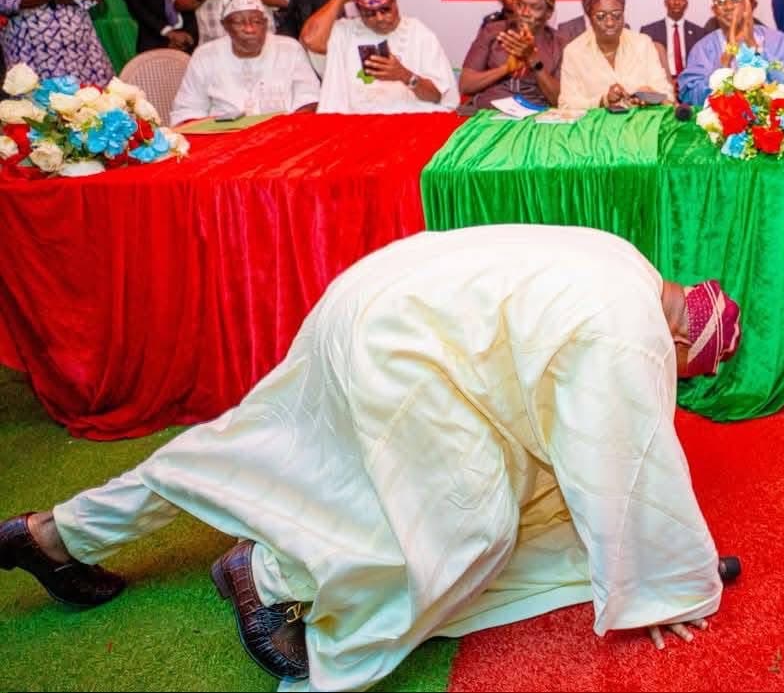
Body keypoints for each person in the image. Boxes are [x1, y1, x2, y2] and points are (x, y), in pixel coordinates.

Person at [0, 225, 741, 689]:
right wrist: (661, 585)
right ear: (681, 344)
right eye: (685, 377)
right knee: (467, 532)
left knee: (252, 448)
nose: (672, 387)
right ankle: (265, 576)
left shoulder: (627, 262)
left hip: (370, 295)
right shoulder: (632, 329)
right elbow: (622, 468)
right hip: (409, 350)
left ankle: (52, 533)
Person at [302, 0, 459, 114]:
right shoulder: (346, 31)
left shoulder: (418, 33)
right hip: (356, 126)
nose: (380, 18)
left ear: (395, 3)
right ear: (358, 11)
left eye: (385, 9)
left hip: (410, 123)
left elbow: (437, 97)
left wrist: (404, 76)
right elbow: (310, 39)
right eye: (370, 13)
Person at [169, 0, 320, 125]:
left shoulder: (290, 49)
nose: (249, 28)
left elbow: (309, 99)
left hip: (282, 136)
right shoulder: (205, 55)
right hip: (225, 142)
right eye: (239, 22)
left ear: (266, 23)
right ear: (225, 26)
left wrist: (289, 128)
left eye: (256, 21)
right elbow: (188, 110)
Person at [679, 0, 784, 107]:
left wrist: (754, 47)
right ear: (714, 10)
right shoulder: (702, 49)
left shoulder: (777, 40)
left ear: (747, 4)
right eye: (721, 2)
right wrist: (723, 64)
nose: (728, 6)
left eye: (735, 0)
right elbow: (691, 97)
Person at [558, 0, 673, 111]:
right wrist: (603, 100)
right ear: (589, 17)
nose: (610, 22)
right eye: (601, 16)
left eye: (617, 15)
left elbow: (667, 95)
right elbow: (566, 105)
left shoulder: (642, 44)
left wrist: (650, 95)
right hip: (597, 128)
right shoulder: (574, 52)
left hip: (640, 126)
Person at [461, 0, 564, 109]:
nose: (525, 13)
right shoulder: (493, 31)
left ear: (548, 13)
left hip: (536, 114)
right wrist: (506, 69)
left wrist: (533, 60)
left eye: (534, 8)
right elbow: (466, 85)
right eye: (520, 5)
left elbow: (559, 100)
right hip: (490, 111)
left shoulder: (558, 43)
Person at [640, 0, 707, 83]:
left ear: (686, 3)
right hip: (660, 84)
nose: (676, 2)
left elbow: (702, 66)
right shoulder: (649, 32)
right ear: (666, 2)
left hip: (690, 85)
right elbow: (644, 67)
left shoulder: (700, 33)